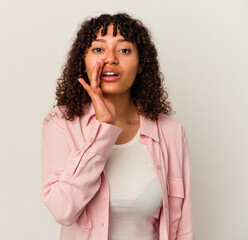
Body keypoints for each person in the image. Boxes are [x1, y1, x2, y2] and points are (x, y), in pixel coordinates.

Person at [40, 12, 194, 240]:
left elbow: (183, 226)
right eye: (99, 49)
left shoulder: (170, 131)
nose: (110, 59)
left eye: (124, 50)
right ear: (83, 60)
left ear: (141, 64)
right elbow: (63, 210)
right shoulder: (61, 122)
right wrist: (103, 128)